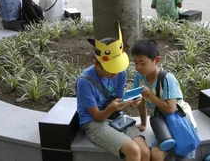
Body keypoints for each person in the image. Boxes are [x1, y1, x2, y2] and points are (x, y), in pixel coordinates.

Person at [76, 25, 150, 161]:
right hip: (94, 122)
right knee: (133, 150)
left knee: (145, 152)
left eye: (117, 67)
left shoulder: (121, 71)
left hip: (116, 116)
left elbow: (118, 99)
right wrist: (112, 108)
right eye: (111, 69)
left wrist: (132, 101)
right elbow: (97, 116)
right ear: (97, 64)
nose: (115, 73)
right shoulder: (84, 82)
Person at [131, 39, 197, 161]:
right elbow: (141, 102)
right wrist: (144, 123)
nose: (138, 67)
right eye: (135, 63)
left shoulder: (167, 79)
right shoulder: (139, 77)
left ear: (156, 60)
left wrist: (150, 95)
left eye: (142, 63)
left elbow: (171, 109)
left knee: (183, 155)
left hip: (180, 122)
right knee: (155, 154)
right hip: (162, 123)